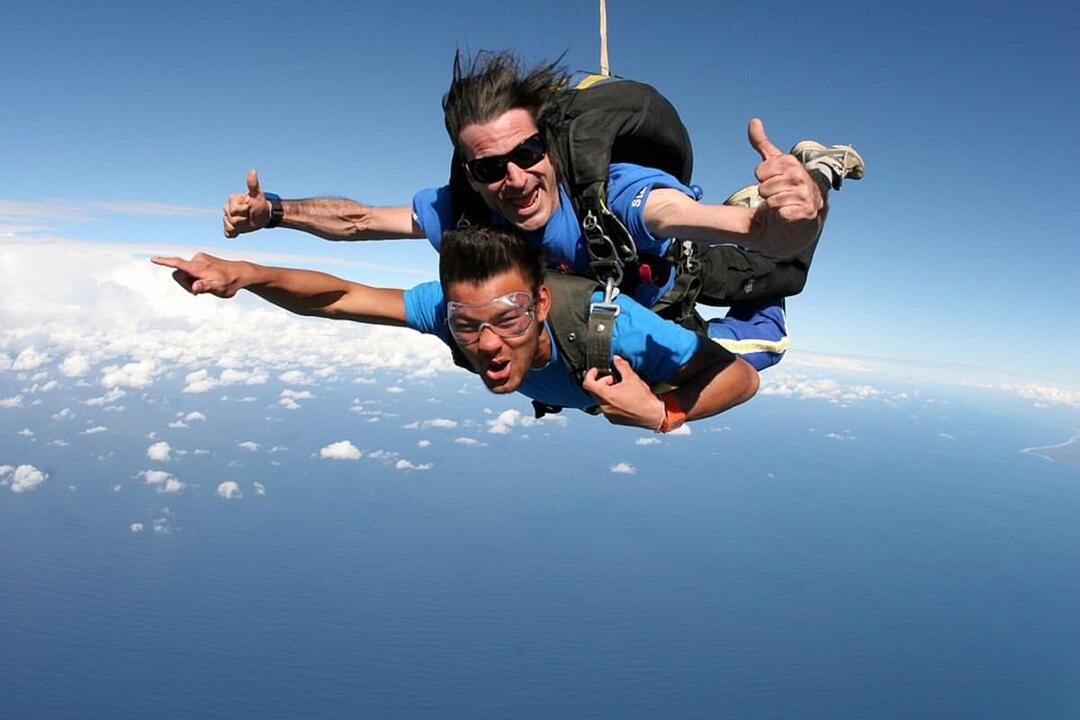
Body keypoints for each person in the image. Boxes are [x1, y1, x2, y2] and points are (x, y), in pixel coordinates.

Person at [222, 50, 863, 367]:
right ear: (470, 174)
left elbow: (749, 233)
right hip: (625, 293)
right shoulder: (470, 211)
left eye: (527, 152)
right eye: (489, 167)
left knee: (783, 295)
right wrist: (276, 211)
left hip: (694, 266)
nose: (515, 177)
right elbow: (361, 221)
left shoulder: (620, 194)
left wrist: (794, 214)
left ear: (549, 146)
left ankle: (815, 169)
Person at [151, 226, 759, 432]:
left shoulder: (616, 329)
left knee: (766, 340)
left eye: (509, 318)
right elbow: (339, 296)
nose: (488, 343)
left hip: (684, 352)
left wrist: (663, 415)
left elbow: (741, 379)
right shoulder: (447, 312)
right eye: (468, 325)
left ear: (542, 303)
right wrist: (249, 274)